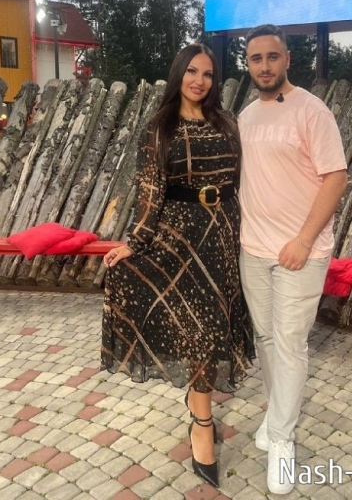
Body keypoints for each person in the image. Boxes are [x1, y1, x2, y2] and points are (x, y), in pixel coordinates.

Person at [101, 43, 254, 489]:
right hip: (178, 235)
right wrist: (134, 244)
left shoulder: (227, 123)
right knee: (198, 328)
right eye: (191, 71)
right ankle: (202, 422)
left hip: (222, 233)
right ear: (178, 74)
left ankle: (198, 404)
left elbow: (245, 180)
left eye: (207, 74)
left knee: (211, 325)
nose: (199, 81)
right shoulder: (160, 127)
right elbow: (150, 191)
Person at [238, 24, 348, 495]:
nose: (264, 66)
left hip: (300, 252)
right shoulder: (245, 117)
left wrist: (304, 239)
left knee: (289, 344)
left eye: (272, 57)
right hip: (253, 249)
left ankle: (282, 439)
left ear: (287, 59)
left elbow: (336, 177)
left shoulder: (311, 110)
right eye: (256, 58)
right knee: (266, 338)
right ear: (247, 64)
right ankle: (276, 415)